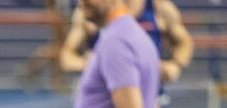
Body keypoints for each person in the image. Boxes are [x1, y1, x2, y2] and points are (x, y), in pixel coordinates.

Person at [59, 0, 193, 84]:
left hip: (149, 95)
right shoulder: (92, 10)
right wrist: (89, 65)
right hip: (106, 96)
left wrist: (175, 66)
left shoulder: (159, 7)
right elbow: (66, 57)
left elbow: (184, 42)